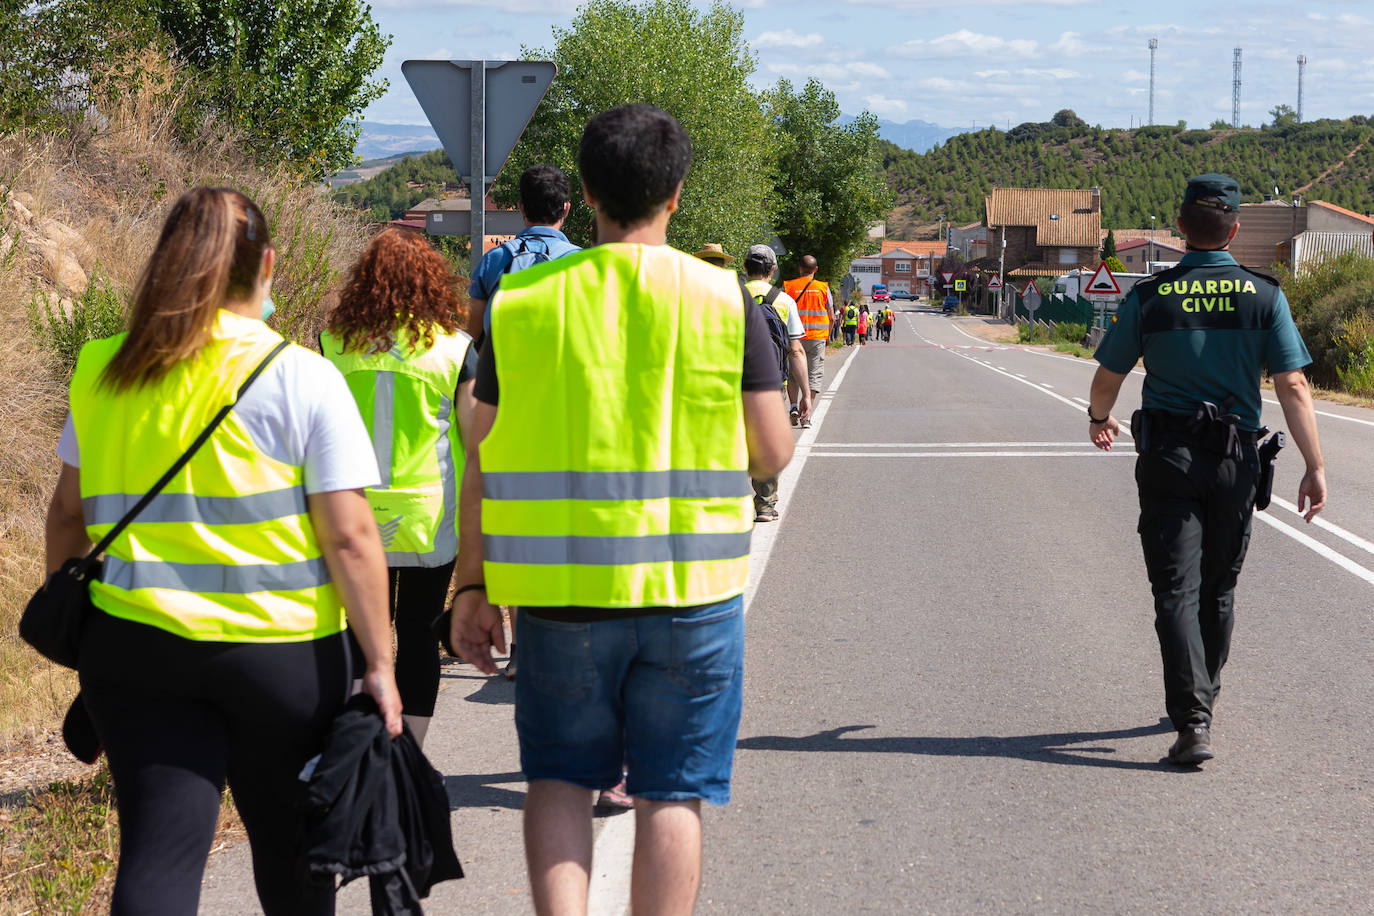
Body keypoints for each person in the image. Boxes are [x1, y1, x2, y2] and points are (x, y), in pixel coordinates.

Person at [449, 103, 794, 916]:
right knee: (671, 795)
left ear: (588, 195)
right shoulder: (721, 297)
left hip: (561, 596)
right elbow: (774, 450)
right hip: (692, 592)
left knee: (561, 782)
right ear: (676, 193)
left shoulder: (525, 302)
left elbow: (482, 454)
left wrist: (471, 585)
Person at [45, 187, 402, 914]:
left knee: (159, 852)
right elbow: (351, 536)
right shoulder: (301, 376)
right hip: (283, 657)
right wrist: (382, 664)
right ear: (267, 265)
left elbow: (65, 517)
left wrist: (77, 624)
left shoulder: (104, 368)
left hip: (135, 650)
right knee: (294, 851)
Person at [1087, 173, 1327, 766]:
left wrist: (1099, 416)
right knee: (1218, 589)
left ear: (1180, 226)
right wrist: (1315, 466)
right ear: (1236, 228)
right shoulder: (1265, 296)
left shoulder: (1149, 298)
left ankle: (1192, 719)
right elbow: (1292, 382)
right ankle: (1204, 699)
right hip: (1234, 461)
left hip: (1168, 458)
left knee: (1175, 590)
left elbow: (1110, 376)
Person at [321, 228, 478, 748]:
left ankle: (358, 744)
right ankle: (409, 750)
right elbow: (477, 439)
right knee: (417, 637)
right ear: (430, 282)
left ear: (363, 283)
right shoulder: (454, 350)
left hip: (352, 515)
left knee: (356, 635)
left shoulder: (332, 346)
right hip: (426, 517)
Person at [466, 164, 581, 342]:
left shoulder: (493, 260)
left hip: (503, 366)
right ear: (566, 208)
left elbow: (471, 335)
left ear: (521, 207)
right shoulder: (581, 262)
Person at [744, 242, 813, 520]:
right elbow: (796, 350)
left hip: (729, 380)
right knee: (764, 442)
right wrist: (805, 394)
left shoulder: (730, 295)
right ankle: (765, 504)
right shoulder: (784, 301)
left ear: (745, 268)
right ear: (772, 271)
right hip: (770, 383)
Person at [785, 255, 833, 426]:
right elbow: (831, 316)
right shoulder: (823, 288)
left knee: (792, 373)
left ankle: (793, 406)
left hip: (793, 338)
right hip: (817, 337)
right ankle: (807, 415)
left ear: (799, 268)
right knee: (813, 375)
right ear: (816, 269)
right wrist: (828, 336)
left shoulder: (788, 287)